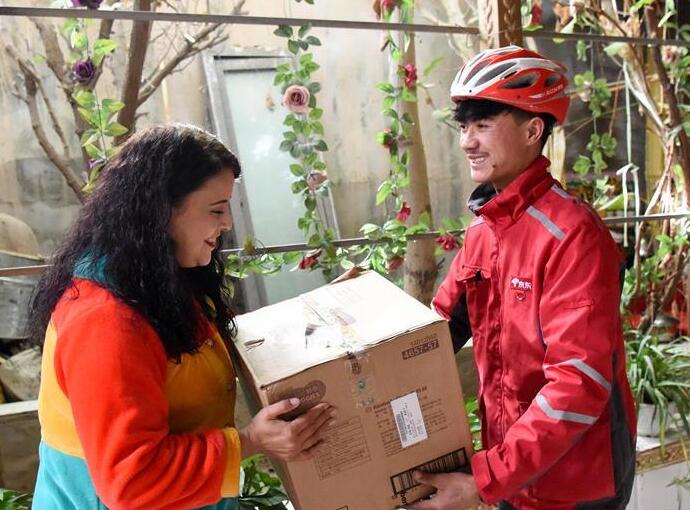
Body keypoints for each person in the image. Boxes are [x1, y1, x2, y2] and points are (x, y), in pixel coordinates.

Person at [29, 124, 335, 510]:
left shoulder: (158, 278)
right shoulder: (104, 320)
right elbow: (132, 480)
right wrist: (251, 442)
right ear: (162, 210)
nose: (227, 223)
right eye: (216, 210)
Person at [410, 46, 637, 510]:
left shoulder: (573, 235)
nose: (467, 142)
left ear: (533, 131)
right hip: (513, 470)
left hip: (578, 481)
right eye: (464, 127)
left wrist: (485, 478)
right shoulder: (483, 230)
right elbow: (437, 331)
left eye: (483, 125)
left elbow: (577, 386)